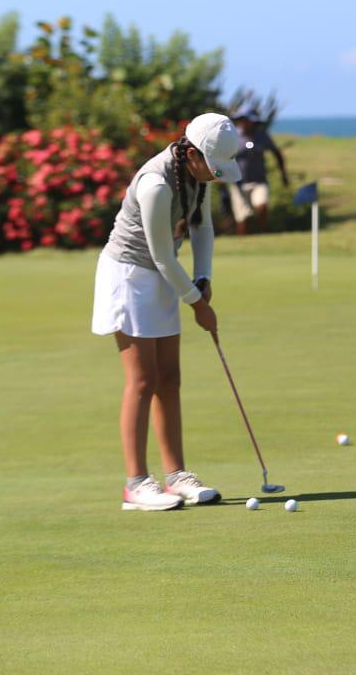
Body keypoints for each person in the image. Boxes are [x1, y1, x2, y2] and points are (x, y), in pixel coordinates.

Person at [91, 113, 243, 511]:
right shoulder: (155, 184)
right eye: (213, 168)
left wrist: (203, 277)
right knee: (143, 380)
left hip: (161, 275)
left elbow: (202, 228)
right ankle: (136, 484)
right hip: (129, 276)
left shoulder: (196, 176)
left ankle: (176, 476)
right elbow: (160, 255)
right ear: (192, 154)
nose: (215, 176)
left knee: (169, 378)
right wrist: (196, 303)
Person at [227, 111, 290, 234]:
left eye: (249, 121)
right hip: (238, 183)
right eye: (243, 121)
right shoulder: (233, 137)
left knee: (262, 206)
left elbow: (276, 153)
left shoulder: (262, 136)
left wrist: (283, 174)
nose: (246, 124)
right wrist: (220, 174)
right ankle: (243, 241)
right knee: (243, 218)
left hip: (259, 181)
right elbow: (223, 157)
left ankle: (262, 233)